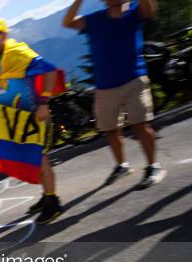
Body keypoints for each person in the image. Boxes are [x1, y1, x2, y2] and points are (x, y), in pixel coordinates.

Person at [0, 17, 65, 224]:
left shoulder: (16, 52)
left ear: (4, 35)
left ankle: (53, 203)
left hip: (33, 115)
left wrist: (44, 103)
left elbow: (49, 71)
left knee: (39, 160)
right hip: (16, 119)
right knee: (31, 159)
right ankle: (46, 196)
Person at [62, 0, 166, 188]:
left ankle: (153, 165)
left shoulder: (135, 11)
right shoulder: (94, 19)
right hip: (105, 86)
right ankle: (122, 166)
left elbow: (150, 11)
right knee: (111, 130)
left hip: (134, 78)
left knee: (140, 125)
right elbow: (67, 22)